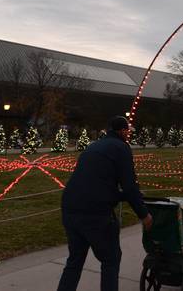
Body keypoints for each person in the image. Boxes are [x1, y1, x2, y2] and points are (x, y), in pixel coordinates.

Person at [58, 116, 153, 291]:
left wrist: (123, 196)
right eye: (128, 132)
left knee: (75, 260)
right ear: (123, 131)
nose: (128, 135)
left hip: (70, 208)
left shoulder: (94, 146)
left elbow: (96, 182)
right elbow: (130, 185)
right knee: (111, 259)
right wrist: (144, 214)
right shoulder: (121, 148)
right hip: (96, 213)